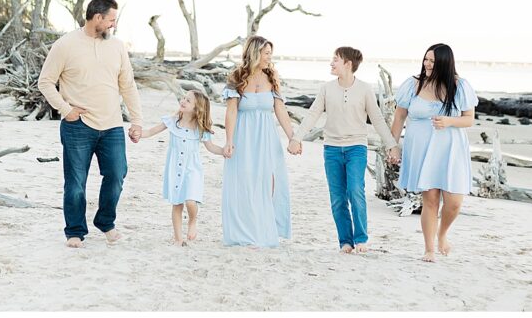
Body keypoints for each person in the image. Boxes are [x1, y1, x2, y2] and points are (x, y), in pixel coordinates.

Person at [36, 0, 143, 248]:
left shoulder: (117, 46)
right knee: (75, 184)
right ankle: (74, 231)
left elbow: (127, 85)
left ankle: (105, 221)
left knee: (117, 174)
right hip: (78, 126)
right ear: (97, 18)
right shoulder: (65, 45)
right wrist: (65, 109)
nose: (113, 25)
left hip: (112, 125)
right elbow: (45, 81)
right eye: (111, 20)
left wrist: (136, 120)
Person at [290, 46, 401, 253]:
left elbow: (376, 119)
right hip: (331, 149)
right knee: (338, 197)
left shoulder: (365, 89)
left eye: (335, 60)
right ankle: (346, 242)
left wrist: (392, 145)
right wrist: (297, 138)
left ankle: (360, 239)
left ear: (348, 64)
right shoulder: (326, 88)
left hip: (356, 148)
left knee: (355, 190)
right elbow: (313, 114)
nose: (331, 63)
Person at [391, 43, 478, 262]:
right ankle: (429, 248)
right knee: (430, 200)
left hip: (451, 149)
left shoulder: (459, 86)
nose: (427, 65)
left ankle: (442, 234)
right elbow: (399, 117)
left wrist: (449, 120)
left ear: (444, 63)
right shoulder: (413, 85)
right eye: (426, 59)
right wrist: (393, 145)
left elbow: (469, 119)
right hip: (420, 148)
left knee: (454, 202)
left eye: (433, 61)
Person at [221, 35, 294, 247]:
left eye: (270, 53)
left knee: (268, 181)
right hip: (243, 136)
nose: (269, 58)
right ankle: (244, 231)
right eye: (266, 53)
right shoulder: (237, 76)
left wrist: (292, 137)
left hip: (266, 137)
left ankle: (264, 227)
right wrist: (228, 140)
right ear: (255, 53)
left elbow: (280, 108)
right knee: (244, 181)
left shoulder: (271, 77)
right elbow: (231, 111)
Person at [138, 89, 226, 245]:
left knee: (191, 201)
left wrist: (224, 152)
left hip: (192, 169)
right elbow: (151, 131)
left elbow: (211, 147)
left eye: (188, 100)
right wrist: (138, 134)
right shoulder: (172, 122)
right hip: (174, 168)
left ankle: (192, 221)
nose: (183, 101)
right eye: (184, 98)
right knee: (177, 203)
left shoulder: (200, 129)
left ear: (197, 108)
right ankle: (178, 238)